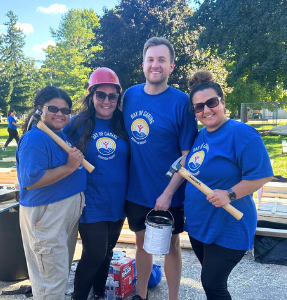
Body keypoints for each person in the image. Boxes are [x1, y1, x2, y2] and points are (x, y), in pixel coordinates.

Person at [174, 72, 273, 300]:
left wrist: (230, 193)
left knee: (212, 284)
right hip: (200, 226)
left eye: (211, 103)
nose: (206, 111)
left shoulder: (242, 134)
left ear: (223, 102)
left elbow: (262, 176)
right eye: (199, 107)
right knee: (211, 283)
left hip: (229, 226)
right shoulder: (200, 137)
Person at [124, 37, 198, 300]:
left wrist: (168, 193)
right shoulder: (129, 96)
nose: (156, 65)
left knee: (171, 246)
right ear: (143, 64)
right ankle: (140, 295)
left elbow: (187, 156)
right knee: (141, 246)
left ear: (172, 66)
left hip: (172, 193)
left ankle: (173, 298)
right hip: (136, 192)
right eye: (151, 59)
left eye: (162, 60)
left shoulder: (181, 103)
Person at [15, 86, 88, 300]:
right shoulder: (35, 139)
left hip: (60, 214)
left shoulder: (59, 135)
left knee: (58, 272)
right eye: (53, 108)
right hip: (46, 215)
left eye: (65, 110)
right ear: (40, 109)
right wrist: (69, 167)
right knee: (50, 280)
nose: (60, 114)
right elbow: (31, 180)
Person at [64, 68, 131, 300]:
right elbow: (52, 143)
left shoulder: (124, 123)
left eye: (112, 96)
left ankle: (99, 294)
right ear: (91, 96)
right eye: (100, 95)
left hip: (118, 201)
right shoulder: (77, 124)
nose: (106, 101)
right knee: (95, 253)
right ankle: (79, 296)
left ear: (118, 98)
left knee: (107, 252)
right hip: (90, 199)